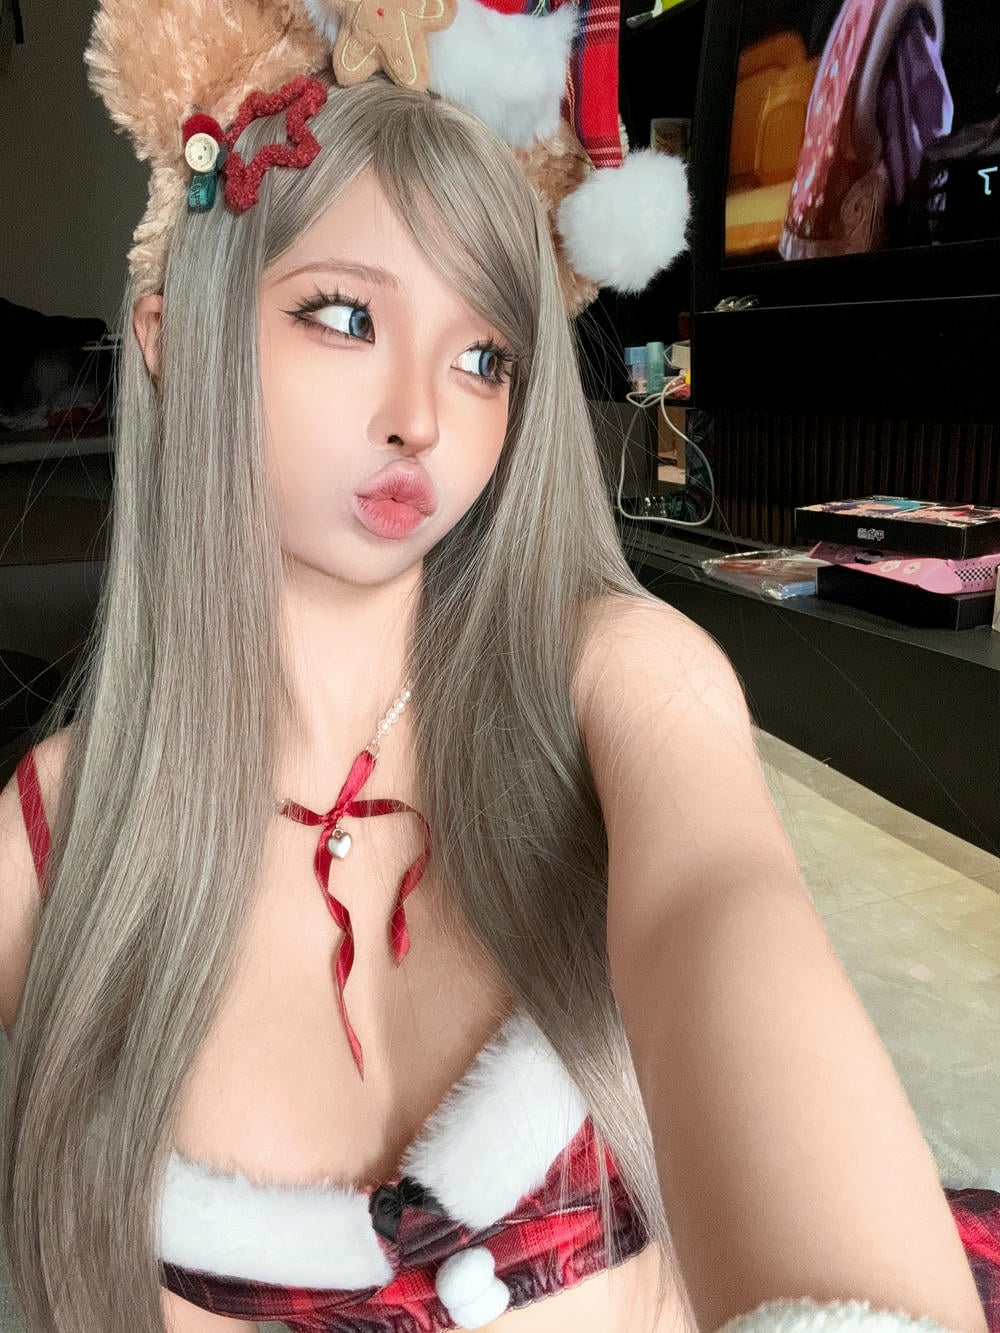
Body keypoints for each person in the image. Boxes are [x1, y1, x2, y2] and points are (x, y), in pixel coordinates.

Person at [1, 3, 997, 1333]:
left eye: (485, 358)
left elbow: (720, 907)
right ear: (173, 336)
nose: (422, 415)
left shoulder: (617, 681)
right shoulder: (49, 837)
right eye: (344, 314)